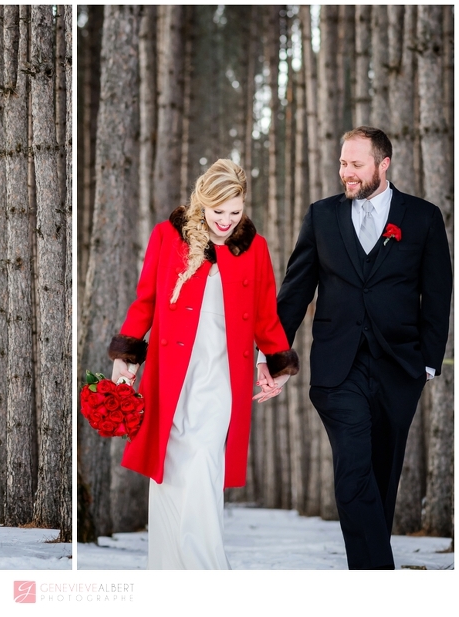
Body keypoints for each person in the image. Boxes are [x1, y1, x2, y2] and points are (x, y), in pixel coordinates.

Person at [257, 126, 452, 569]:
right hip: (336, 369)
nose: (346, 172)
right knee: (352, 470)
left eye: (356, 164)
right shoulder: (322, 216)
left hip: (400, 368)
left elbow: (437, 293)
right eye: (343, 163)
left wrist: (427, 362)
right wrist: (273, 357)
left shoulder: (422, 217)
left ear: (383, 165)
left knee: (382, 474)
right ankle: (375, 578)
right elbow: (295, 292)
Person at [109, 159, 299, 569]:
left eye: (236, 211)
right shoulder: (167, 236)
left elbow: (266, 315)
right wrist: (127, 356)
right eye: (219, 212)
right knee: (171, 477)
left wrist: (278, 364)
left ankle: (208, 576)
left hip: (221, 377)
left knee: (204, 467)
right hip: (171, 376)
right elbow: (146, 301)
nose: (227, 221)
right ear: (202, 202)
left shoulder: (255, 247)